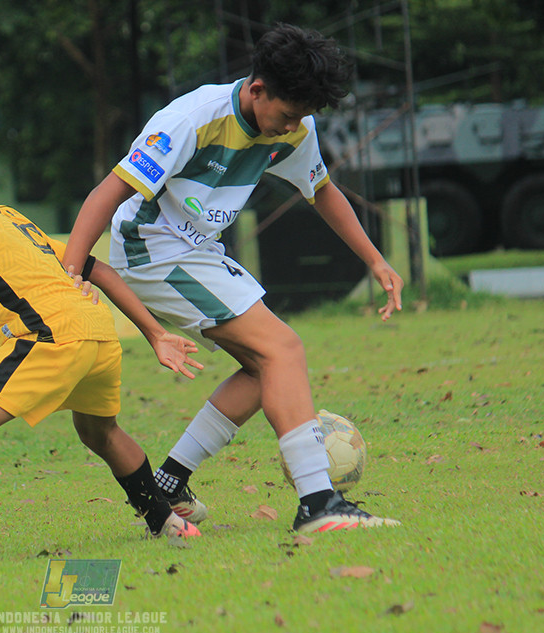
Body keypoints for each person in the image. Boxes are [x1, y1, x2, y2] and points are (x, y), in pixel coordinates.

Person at [63, 23, 402, 534]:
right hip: (150, 250)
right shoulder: (191, 120)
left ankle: (171, 482)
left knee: (265, 369)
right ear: (257, 89)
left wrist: (375, 260)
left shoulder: (293, 125)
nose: (292, 130)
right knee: (283, 348)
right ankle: (318, 504)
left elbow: (322, 190)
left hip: (196, 250)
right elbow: (109, 192)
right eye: (288, 116)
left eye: (302, 119)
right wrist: (72, 267)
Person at [0, 160, 204, 570]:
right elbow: (97, 269)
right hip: (97, 333)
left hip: (49, 335)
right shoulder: (13, 219)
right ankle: (167, 522)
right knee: (100, 431)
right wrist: (155, 333)